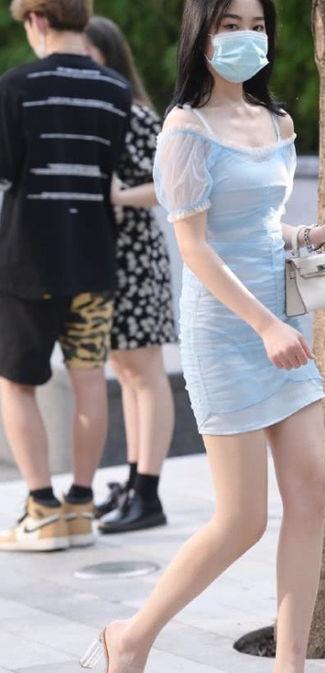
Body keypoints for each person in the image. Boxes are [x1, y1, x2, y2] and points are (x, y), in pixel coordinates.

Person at [79, 0, 325, 670]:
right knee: (242, 519)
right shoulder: (185, 128)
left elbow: (264, 228)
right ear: (203, 35)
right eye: (230, 25)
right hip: (227, 330)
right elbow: (196, 247)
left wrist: (322, 234)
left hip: (283, 326)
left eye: (257, 24)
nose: (248, 36)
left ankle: (290, 663)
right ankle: (130, 637)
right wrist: (264, 324)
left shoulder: (276, 121)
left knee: (312, 492)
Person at [0, 0, 131, 552]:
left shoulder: (16, 85)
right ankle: (80, 506)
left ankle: (42, 509)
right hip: (94, 259)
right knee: (89, 379)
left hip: (28, 261)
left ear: (35, 20)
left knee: (16, 383)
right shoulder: (116, 90)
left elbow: (6, 172)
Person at [84, 16, 177, 534]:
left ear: (108, 56)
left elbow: (167, 185)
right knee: (126, 373)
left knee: (144, 373)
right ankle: (134, 481)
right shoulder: (100, 110)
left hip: (136, 258)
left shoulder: (136, 114)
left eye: (88, 54)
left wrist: (118, 195)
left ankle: (149, 491)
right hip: (107, 257)